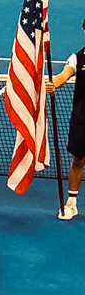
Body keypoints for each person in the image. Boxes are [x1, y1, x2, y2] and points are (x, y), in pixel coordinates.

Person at [45, 18, 85, 220]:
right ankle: (71, 203)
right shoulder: (77, 57)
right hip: (82, 118)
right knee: (78, 160)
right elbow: (64, 75)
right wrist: (53, 84)